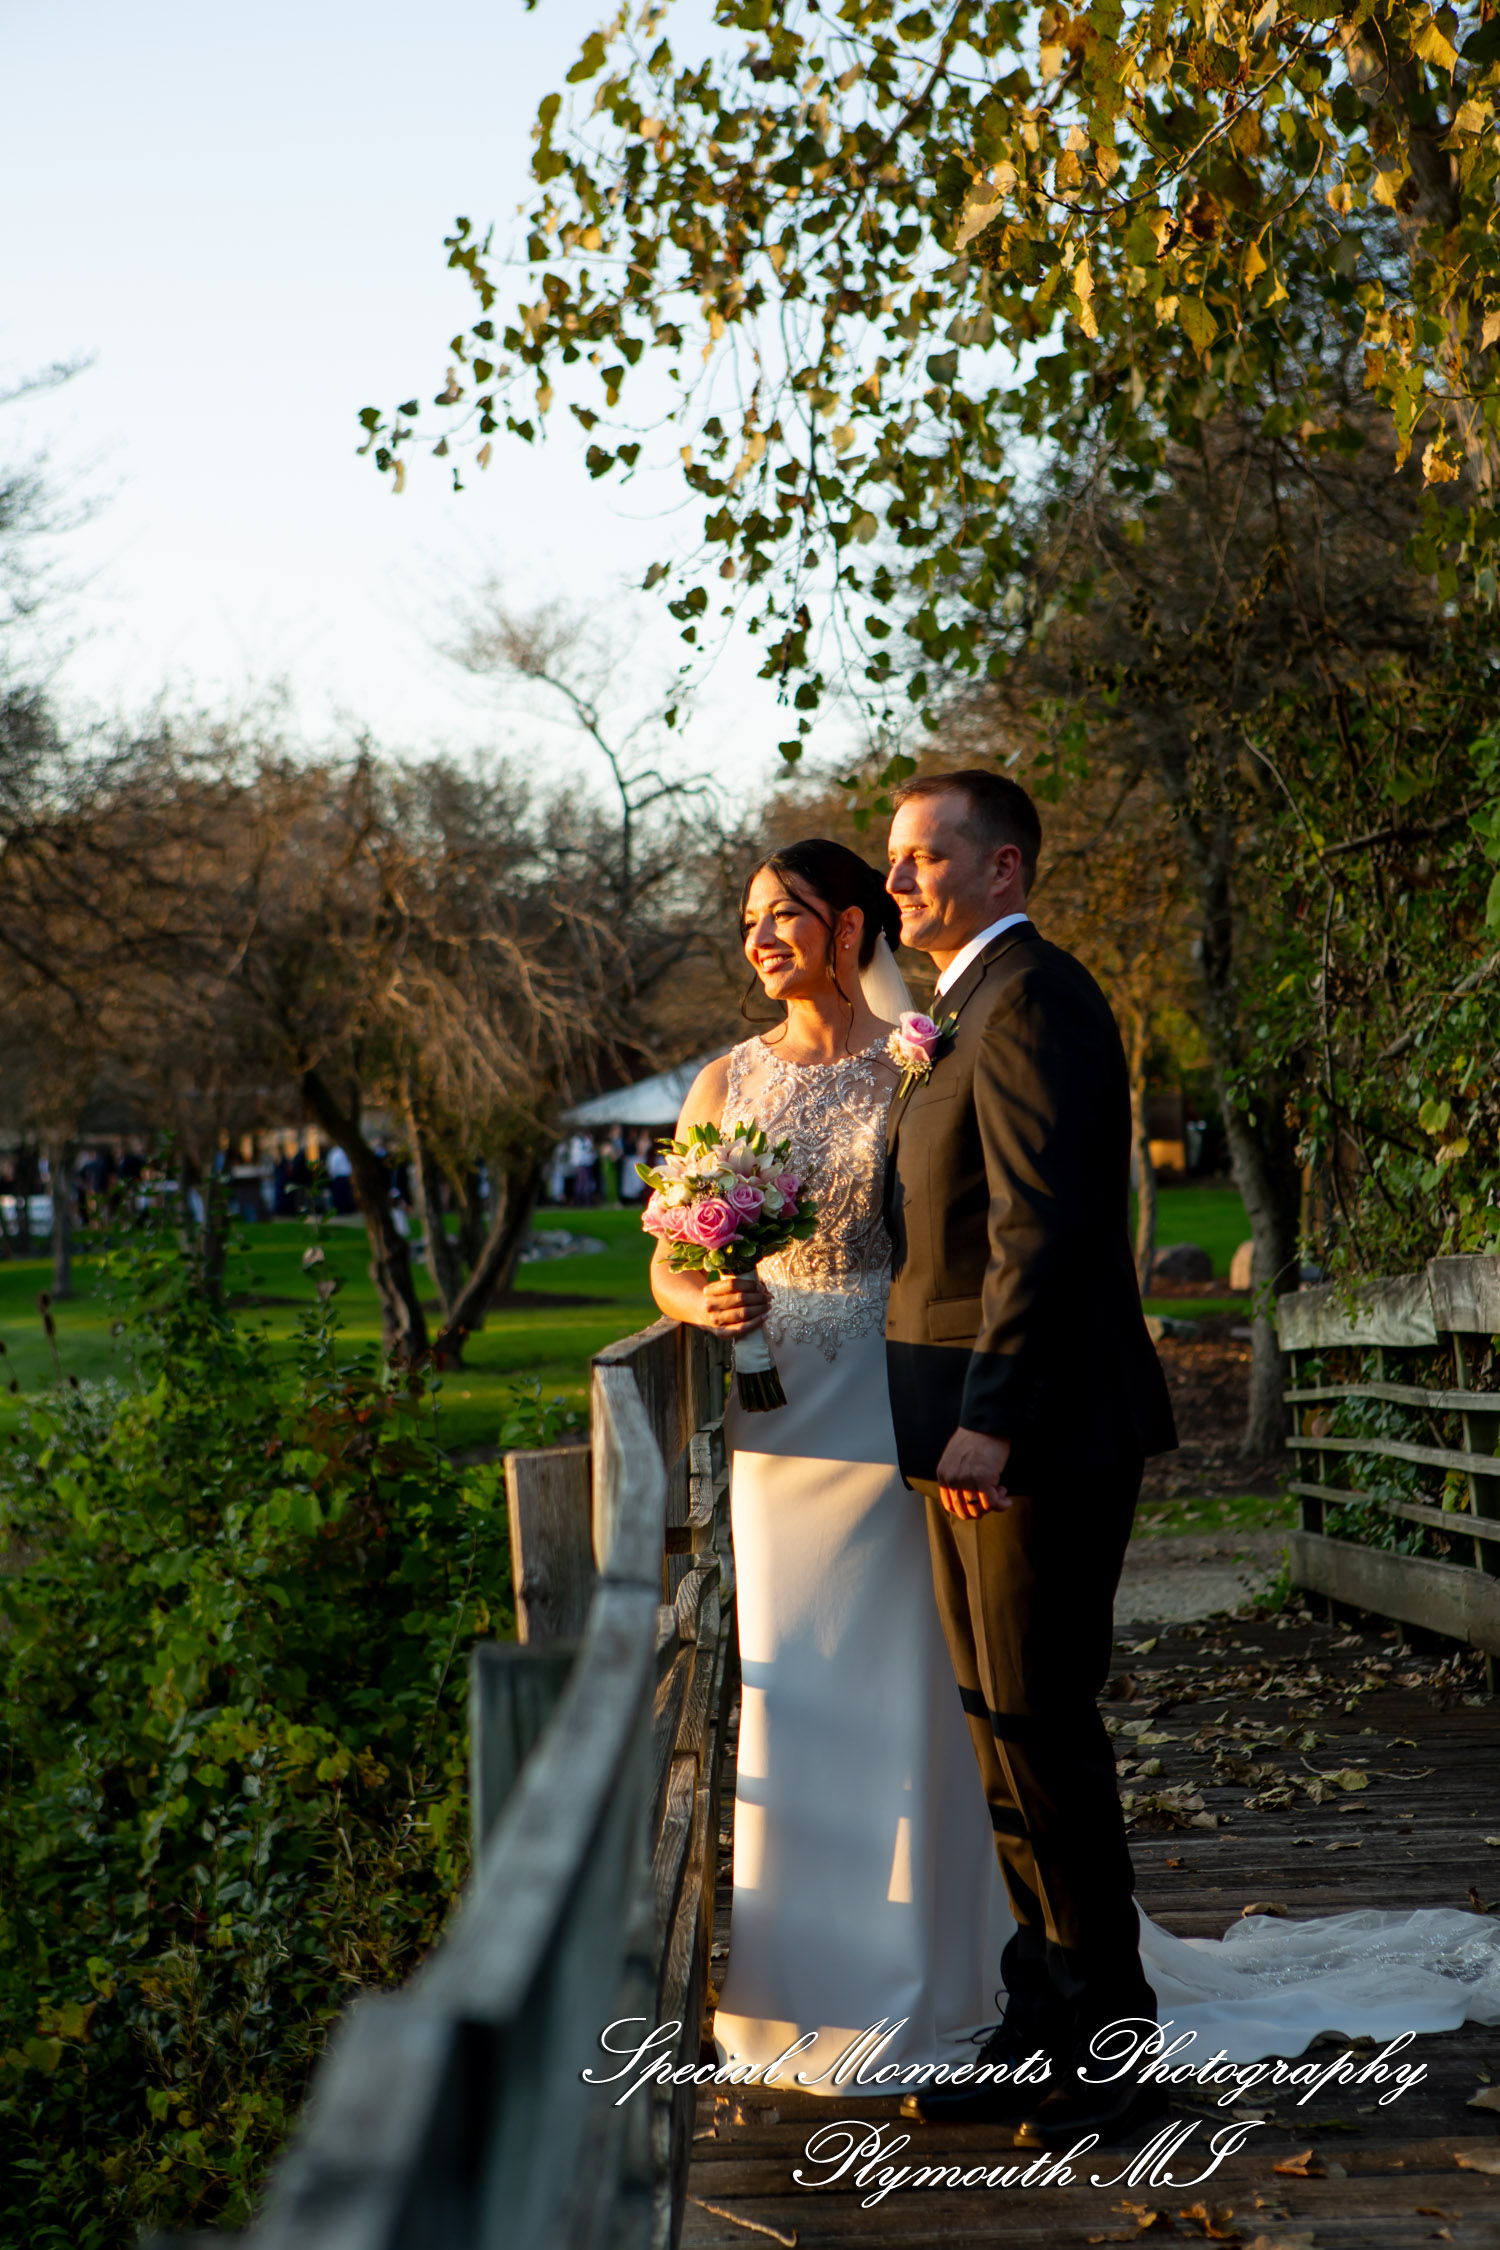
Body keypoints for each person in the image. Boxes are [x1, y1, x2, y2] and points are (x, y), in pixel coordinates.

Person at [651, 798, 1500, 2141]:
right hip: (900, 1426)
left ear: (1000, 864)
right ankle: (1044, 2009)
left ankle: (1113, 2052)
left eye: (921, 854)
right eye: (894, 855)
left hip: (1009, 1430)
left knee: (1038, 1726)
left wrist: (985, 1415)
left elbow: (1042, 1234)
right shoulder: (967, 1007)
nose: (900, 874)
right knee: (1003, 1719)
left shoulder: (1030, 998)